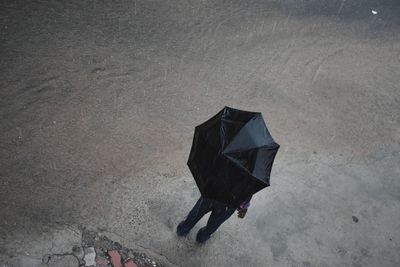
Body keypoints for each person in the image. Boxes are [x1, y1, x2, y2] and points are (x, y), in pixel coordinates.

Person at [176, 196, 251, 243]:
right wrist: (244, 207)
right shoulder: (252, 179)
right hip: (228, 206)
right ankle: (200, 238)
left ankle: (182, 231)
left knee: (192, 218)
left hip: (212, 194)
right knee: (209, 229)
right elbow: (247, 196)